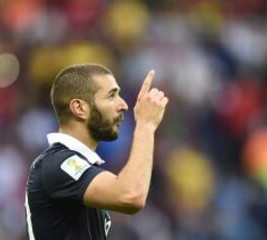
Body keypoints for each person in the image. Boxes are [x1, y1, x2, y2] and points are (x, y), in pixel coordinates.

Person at [25, 63, 168, 240]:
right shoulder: (57, 163)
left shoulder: (81, 167)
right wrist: (145, 125)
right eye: (111, 96)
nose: (123, 105)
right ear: (79, 108)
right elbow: (131, 195)